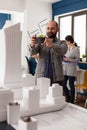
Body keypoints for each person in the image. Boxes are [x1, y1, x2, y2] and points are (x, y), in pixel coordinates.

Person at [29, 20, 68, 85]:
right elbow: (33, 53)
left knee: (56, 95)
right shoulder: (41, 41)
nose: (50, 30)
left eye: (52, 28)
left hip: (57, 79)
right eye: (48, 28)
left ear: (57, 29)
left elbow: (63, 51)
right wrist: (32, 45)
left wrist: (52, 45)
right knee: (40, 95)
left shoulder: (62, 43)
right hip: (41, 77)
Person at [63, 35, 80, 103]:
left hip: (71, 70)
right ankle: (68, 96)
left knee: (71, 85)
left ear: (69, 41)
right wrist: (63, 59)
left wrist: (70, 59)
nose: (66, 42)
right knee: (63, 84)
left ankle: (71, 100)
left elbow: (77, 59)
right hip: (65, 69)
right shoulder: (67, 48)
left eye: (66, 41)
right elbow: (64, 57)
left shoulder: (76, 49)